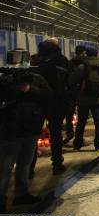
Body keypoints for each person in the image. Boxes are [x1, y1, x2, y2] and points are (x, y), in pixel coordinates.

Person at [0, 68, 52, 212]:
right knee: (5, 168)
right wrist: (12, 86)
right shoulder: (6, 80)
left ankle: (21, 194)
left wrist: (30, 89)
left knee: (25, 164)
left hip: (31, 130)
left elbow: (47, 96)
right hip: (10, 132)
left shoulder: (37, 79)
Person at [31, 39, 70, 175]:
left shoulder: (35, 61)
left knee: (34, 135)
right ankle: (57, 164)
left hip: (38, 102)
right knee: (55, 134)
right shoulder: (62, 61)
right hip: (56, 103)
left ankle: (29, 169)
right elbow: (69, 81)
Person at [70, 48, 99, 150]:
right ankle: (98, 144)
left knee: (81, 123)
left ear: (86, 54)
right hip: (98, 99)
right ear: (97, 55)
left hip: (83, 99)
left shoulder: (81, 67)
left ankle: (77, 144)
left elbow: (72, 81)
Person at [64, 45, 87, 144]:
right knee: (82, 116)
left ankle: (69, 131)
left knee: (69, 113)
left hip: (71, 91)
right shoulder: (86, 63)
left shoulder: (70, 63)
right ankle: (79, 137)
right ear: (83, 52)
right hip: (83, 92)